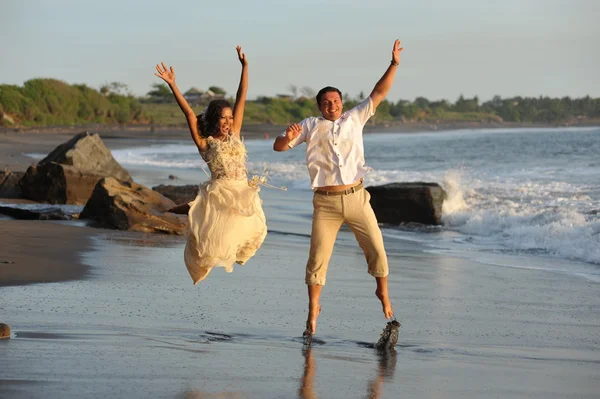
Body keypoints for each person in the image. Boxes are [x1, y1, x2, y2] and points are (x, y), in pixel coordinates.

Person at [273, 39, 403, 337]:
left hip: (357, 198)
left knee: (378, 250)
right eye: (326, 103)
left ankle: (382, 292)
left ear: (341, 103)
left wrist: (394, 63)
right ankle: (313, 311)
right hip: (326, 203)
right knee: (317, 259)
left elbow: (380, 92)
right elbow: (279, 147)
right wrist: (287, 136)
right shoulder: (308, 125)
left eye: (335, 101)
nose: (331, 106)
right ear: (319, 106)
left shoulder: (355, 117)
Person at [155, 46, 267, 284]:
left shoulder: (235, 132)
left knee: (256, 230)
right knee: (214, 238)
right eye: (223, 117)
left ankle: (185, 208)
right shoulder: (205, 142)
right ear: (215, 118)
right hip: (222, 189)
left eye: (230, 117)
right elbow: (188, 114)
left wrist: (245, 67)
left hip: (243, 189)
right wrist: (172, 85)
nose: (228, 121)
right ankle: (182, 209)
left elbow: (242, 95)